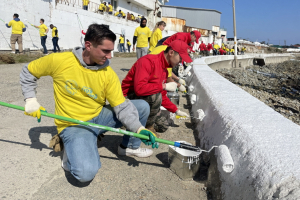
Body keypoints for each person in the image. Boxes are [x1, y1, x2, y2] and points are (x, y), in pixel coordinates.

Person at [20, 24, 157, 183]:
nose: (110, 56)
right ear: (88, 46)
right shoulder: (61, 60)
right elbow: (28, 72)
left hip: (98, 117)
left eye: (111, 51)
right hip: (73, 124)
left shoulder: (107, 73)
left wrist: (139, 128)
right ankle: (73, 147)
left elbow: (121, 106)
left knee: (141, 106)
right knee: (85, 174)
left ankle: (129, 147)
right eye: (105, 51)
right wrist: (30, 99)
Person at [122, 40, 191, 134]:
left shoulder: (165, 70)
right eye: (180, 58)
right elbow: (140, 89)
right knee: (155, 96)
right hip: (126, 98)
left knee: (162, 126)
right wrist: (164, 86)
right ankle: (145, 126)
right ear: (171, 53)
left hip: (143, 98)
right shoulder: (148, 61)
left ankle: (137, 120)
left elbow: (162, 96)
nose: (180, 62)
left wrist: (176, 110)